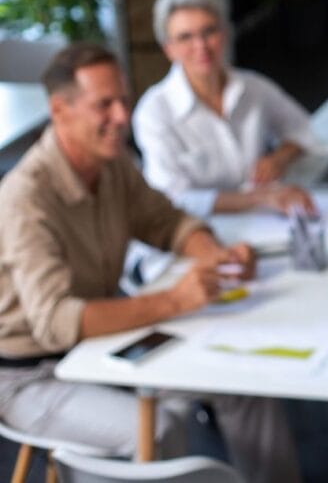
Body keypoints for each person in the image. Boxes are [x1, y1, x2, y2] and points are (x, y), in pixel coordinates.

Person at [0, 43, 302, 483]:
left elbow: (167, 221)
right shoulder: (25, 198)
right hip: (32, 376)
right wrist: (175, 301)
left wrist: (214, 256)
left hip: (103, 347)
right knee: (156, 429)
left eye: (123, 100)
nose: (123, 116)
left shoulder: (112, 164)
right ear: (60, 111)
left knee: (242, 382)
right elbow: (56, 322)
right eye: (104, 105)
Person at [133, 0, 315, 217]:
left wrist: (279, 158)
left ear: (225, 34)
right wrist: (259, 198)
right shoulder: (154, 112)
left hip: (265, 218)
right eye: (185, 37)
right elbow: (172, 196)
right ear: (169, 49)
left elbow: (302, 129)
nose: (201, 46)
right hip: (205, 225)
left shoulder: (253, 87)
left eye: (209, 31)